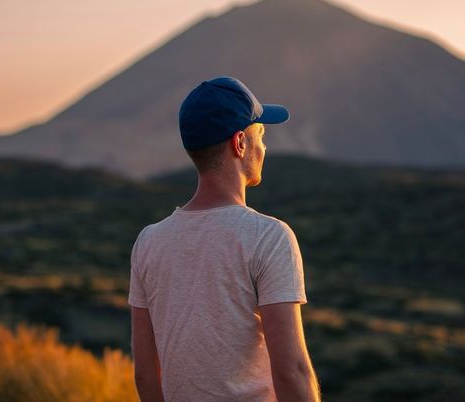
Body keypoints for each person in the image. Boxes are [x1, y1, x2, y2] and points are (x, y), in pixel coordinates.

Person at [128, 76, 321, 402]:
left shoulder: (149, 241)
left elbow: (145, 374)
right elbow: (292, 371)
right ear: (240, 143)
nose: (264, 146)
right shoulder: (268, 237)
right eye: (260, 134)